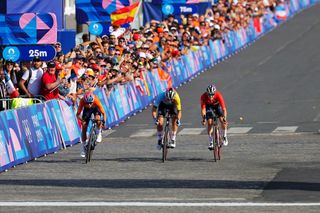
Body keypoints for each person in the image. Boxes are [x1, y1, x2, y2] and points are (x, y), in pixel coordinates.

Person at [76, 91, 107, 157]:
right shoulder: (82, 101)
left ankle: (98, 132)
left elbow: (104, 113)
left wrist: (104, 122)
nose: (89, 105)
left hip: (95, 108)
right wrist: (82, 120)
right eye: (88, 103)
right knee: (84, 127)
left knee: (98, 119)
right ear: (85, 101)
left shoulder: (96, 100)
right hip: (86, 110)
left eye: (90, 103)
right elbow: (77, 115)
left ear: (93, 100)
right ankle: (84, 146)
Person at [200, 84, 228, 149]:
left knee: (222, 120)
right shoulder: (203, 97)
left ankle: (224, 136)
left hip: (217, 105)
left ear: (214, 93)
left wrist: (225, 118)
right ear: (207, 93)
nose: (210, 96)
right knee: (209, 122)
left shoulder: (218, 95)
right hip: (208, 107)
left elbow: (224, 109)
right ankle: (211, 141)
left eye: (212, 95)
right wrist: (204, 119)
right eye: (209, 95)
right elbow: (203, 109)